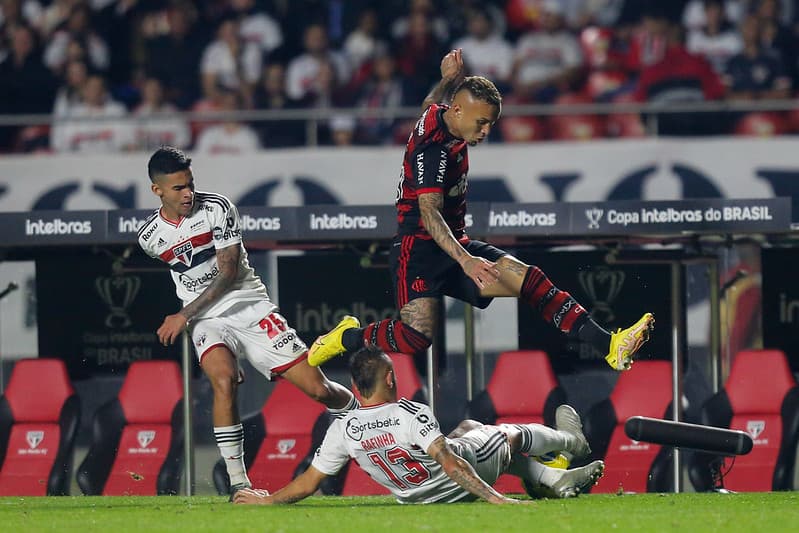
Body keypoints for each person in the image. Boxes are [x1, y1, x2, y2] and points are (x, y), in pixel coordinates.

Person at [308, 49, 654, 373]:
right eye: (482, 123)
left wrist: (446, 80)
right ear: (458, 112)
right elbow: (430, 214)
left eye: (491, 123)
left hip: (453, 241)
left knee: (528, 279)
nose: (487, 131)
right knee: (416, 337)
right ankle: (345, 337)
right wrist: (467, 260)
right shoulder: (435, 154)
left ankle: (609, 345)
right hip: (419, 250)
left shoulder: (437, 115)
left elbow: (430, 102)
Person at [138, 147, 359, 499]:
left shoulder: (217, 208)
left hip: (249, 307)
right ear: (157, 190)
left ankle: (363, 417)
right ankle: (239, 482)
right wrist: (192, 316)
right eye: (179, 188)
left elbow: (227, 273)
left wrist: (183, 314)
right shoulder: (149, 237)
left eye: (190, 184)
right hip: (206, 320)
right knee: (223, 381)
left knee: (319, 390)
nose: (188, 193)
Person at [234, 346, 605, 505]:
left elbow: (308, 483)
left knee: (466, 426)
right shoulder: (410, 413)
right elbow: (451, 463)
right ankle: (571, 441)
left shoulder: (343, 429)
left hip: (416, 496)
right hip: (460, 478)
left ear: (354, 388)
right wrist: (499, 499)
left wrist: (267, 501)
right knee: (503, 435)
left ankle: (553, 480)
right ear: (391, 379)